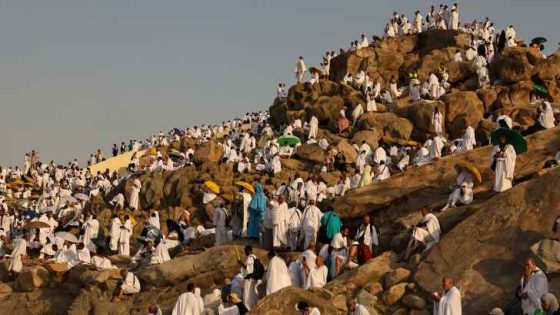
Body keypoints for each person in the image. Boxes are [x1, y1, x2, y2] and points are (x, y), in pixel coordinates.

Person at [237, 245, 257, 309]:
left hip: (249, 279)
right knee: (250, 295)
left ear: (248, 251)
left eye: (245, 251)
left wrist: (241, 264)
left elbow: (249, 269)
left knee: (246, 296)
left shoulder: (250, 258)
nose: (245, 253)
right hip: (252, 278)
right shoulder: (254, 258)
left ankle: (248, 309)